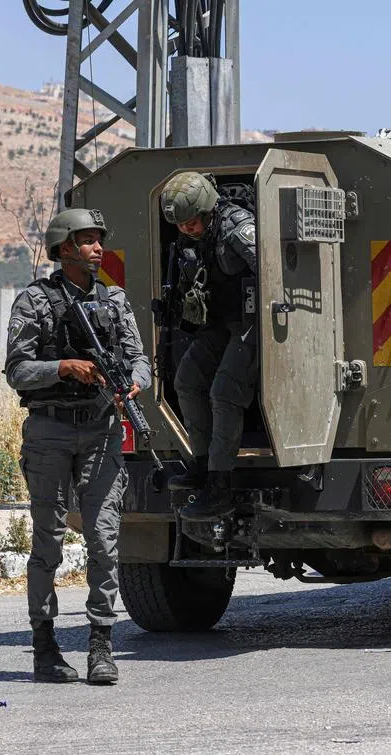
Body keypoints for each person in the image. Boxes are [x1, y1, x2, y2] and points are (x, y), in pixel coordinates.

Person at [5, 208, 150, 685]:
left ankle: (100, 646)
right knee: (47, 538)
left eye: (98, 240)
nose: (97, 248)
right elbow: (17, 371)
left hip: (102, 428)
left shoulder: (114, 301)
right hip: (49, 430)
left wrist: (133, 384)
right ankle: (45, 648)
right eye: (86, 240)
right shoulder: (35, 302)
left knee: (104, 539)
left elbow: (138, 359)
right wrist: (63, 367)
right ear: (64, 247)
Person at [160, 171, 259, 519]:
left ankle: (220, 485)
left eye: (191, 221)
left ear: (206, 210)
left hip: (254, 324)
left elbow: (271, 269)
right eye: (181, 224)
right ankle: (201, 466)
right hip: (219, 323)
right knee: (186, 381)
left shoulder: (237, 226)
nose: (187, 228)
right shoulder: (191, 239)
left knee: (224, 392)